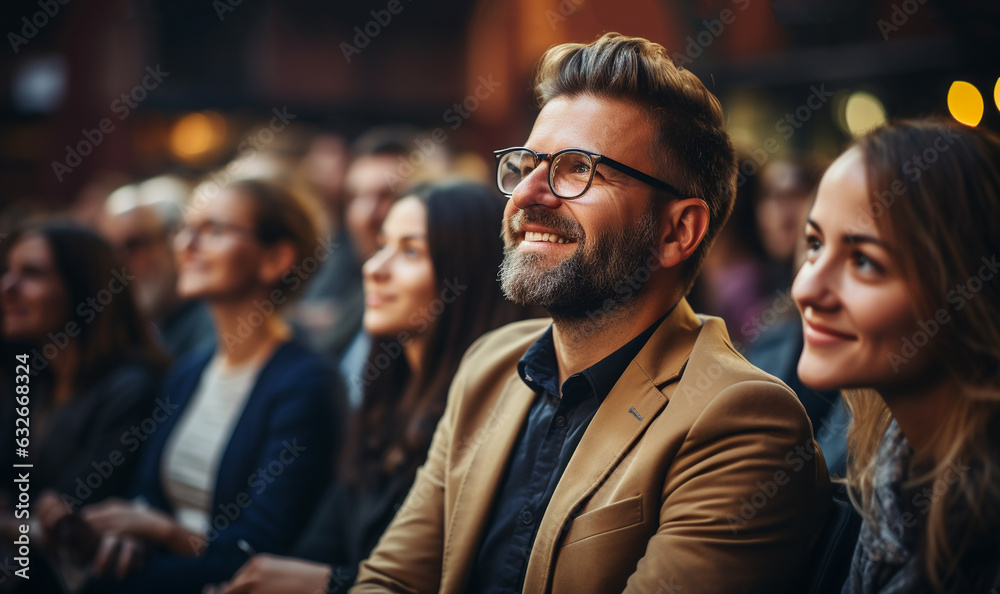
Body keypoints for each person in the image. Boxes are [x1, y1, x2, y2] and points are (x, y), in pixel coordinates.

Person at [351, 33, 830, 594]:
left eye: (578, 169)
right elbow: (391, 580)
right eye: (526, 164)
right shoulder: (488, 366)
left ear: (678, 231)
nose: (527, 193)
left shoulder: (742, 420)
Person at [208, 180, 531, 593]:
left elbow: (460, 582)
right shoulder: (385, 404)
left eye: (410, 251)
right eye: (382, 245)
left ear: (465, 279)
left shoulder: (495, 420)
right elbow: (316, 548)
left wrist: (329, 584)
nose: (374, 268)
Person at [77, 178, 346, 594]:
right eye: (186, 229)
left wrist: (161, 532)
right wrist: (128, 532)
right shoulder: (189, 369)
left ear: (276, 258)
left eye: (214, 230)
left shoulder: (307, 382)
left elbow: (259, 548)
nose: (186, 245)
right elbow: (147, 494)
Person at [791, 119, 1000, 593]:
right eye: (814, 244)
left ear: (967, 289)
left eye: (863, 261)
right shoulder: (889, 477)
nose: (806, 289)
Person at [0, 223, 166, 591]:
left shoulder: (130, 388)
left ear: (84, 289)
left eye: (32, 273)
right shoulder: (30, 375)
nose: (7, 287)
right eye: (8, 271)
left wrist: (13, 523)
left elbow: (64, 516)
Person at [100, 176, 214, 358]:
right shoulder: (119, 333)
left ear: (176, 240)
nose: (122, 263)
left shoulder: (213, 324)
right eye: (113, 251)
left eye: (135, 245)